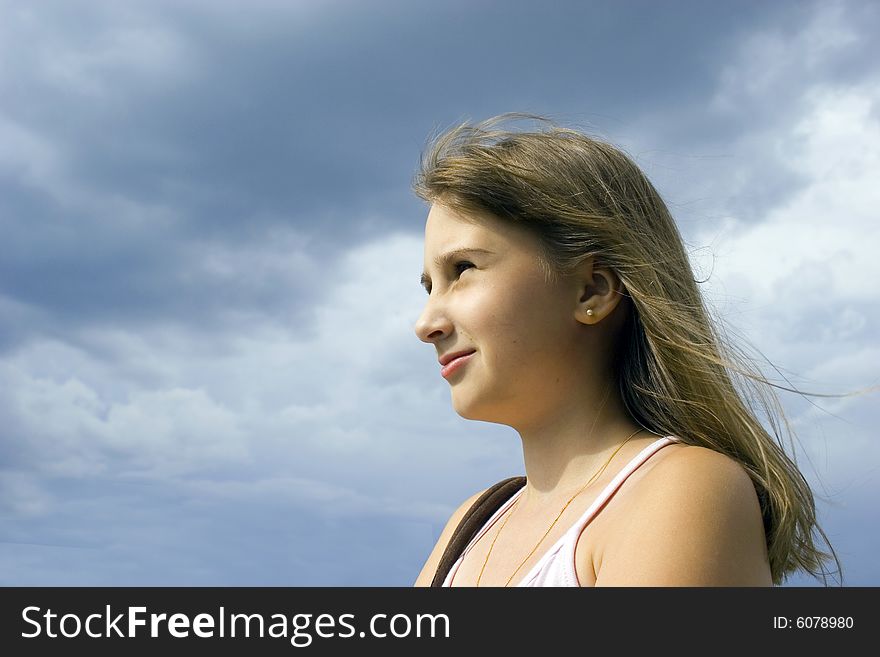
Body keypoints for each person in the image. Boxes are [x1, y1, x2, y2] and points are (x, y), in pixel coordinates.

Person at [410, 113, 841, 587]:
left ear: (592, 289)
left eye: (464, 268)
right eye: (430, 286)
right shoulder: (472, 525)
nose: (426, 324)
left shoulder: (679, 489)